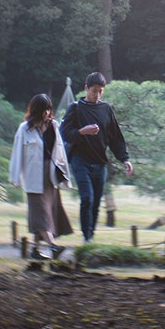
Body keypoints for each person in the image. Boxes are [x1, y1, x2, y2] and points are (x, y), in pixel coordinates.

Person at [59, 72, 134, 243]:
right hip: (80, 160)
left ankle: (90, 237)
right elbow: (64, 133)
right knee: (87, 198)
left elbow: (115, 137)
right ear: (86, 88)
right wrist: (82, 131)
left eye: (100, 91)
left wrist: (125, 159)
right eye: (94, 91)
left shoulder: (106, 109)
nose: (97, 95)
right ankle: (86, 237)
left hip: (100, 162)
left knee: (96, 203)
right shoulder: (75, 108)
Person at [8, 94, 73, 259]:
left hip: (50, 176)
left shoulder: (54, 126)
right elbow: (17, 154)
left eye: (49, 109)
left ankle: (35, 250)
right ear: (37, 110)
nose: (47, 113)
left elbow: (60, 153)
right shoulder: (24, 129)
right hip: (33, 177)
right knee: (40, 213)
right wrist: (15, 178)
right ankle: (53, 246)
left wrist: (65, 175)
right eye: (44, 109)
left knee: (47, 212)